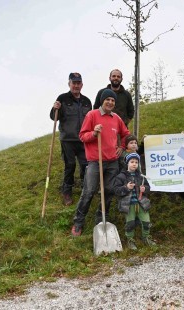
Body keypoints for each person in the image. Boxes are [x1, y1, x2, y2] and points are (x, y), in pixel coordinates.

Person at [71, 89, 130, 237]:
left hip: (112, 162)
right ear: (102, 101)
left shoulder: (116, 118)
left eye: (113, 100)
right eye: (107, 99)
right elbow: (82, 136)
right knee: (89, 191)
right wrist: (94, 133)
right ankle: (78, 221)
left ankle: (101, 217)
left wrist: (122, 147)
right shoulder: (92, 115)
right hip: (95, 162)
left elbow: (126, 134)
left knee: (109, 191)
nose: (110, 102)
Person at [50, 72, 92, 206]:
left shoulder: (87, 101)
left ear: (82, 85)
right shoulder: (62, 98)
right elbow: (54, 117)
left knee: (85, 165)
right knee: (70, 165)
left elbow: (90, 119)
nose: (76, 85)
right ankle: (67, 191)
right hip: (67, 139)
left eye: (78, 83)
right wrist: (54, 108)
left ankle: (85, 189)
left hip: (83, 139)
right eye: (73, 83)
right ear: (69, 84)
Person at [113, 152, 156, 250]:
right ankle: (130, 240)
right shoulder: (121, 176)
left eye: (136, 162)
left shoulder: (141, 176)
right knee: (130, 224)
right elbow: (116, 190)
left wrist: (145, 189)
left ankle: (146, 238)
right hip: (128, 206)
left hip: (142, 204)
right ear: (127, 163)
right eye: (132, 162)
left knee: (146, 222)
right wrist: (126, 187)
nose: (134, 164)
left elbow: (148, 187)